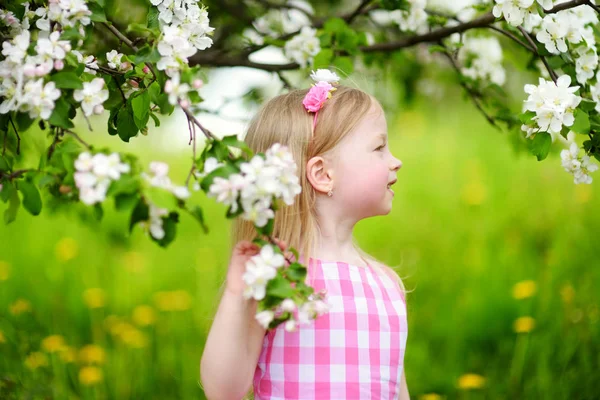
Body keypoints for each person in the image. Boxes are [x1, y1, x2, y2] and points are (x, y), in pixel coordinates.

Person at [200, 72, 408, 400]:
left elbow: (395, 390)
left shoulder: (386, 285)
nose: (395, 161)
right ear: (323, 174)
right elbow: (223, 390)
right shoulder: (275, 277)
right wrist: (236, 294)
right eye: (379, 147)